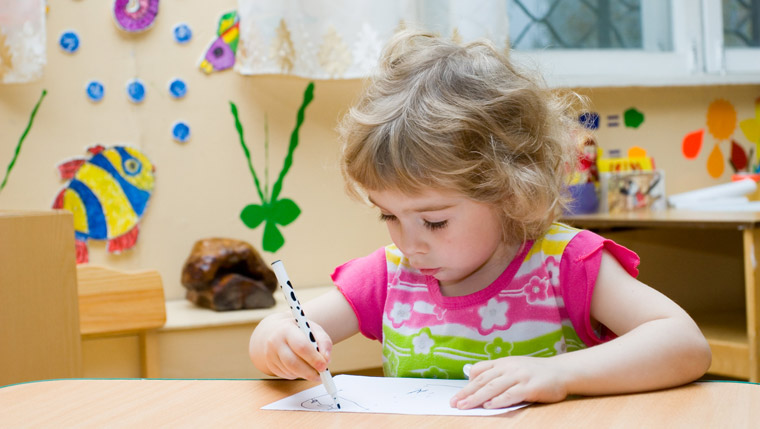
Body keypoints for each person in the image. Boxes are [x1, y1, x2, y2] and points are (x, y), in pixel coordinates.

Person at [249, 29, 711, 410]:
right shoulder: (391, 276)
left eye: (433, 222)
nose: (410, 244)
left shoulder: (565, 265)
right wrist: (279, 342)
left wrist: (561, 373)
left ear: (509, 190)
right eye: (389, 215)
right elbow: (277, 331)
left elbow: (685, 345)